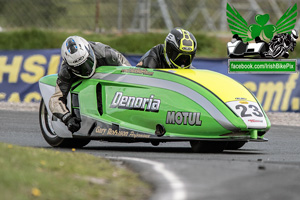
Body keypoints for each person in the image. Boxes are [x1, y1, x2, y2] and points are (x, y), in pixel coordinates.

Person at [49, 36, 131, 133]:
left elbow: (128, 74)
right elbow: (55, 100)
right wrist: (67, 118)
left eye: (87, 62)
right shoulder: (66, 70)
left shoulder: (107, 54)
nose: (86, 69)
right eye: (79, 67)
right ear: (69, 65)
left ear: (89, 53)